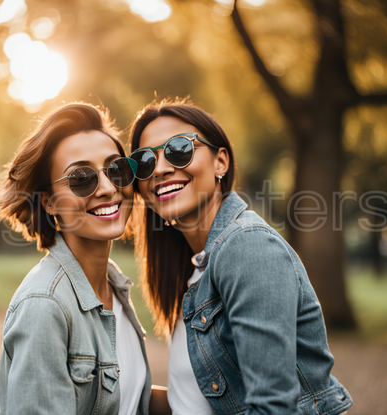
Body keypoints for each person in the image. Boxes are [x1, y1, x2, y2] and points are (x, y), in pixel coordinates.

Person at [129, 98, 353, 415]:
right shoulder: (197, 267)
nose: (162, 169)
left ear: (221, 162)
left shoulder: (246, 247)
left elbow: (273, 407)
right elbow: (194, 403)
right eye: (145, 162)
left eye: (179, 149)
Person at [0, 102, 155, 414]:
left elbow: (126, 395)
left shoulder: (113, 285)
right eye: (81, 178)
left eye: (116, 169)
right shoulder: (45, 305)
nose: (107, 188)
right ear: (49, 202)